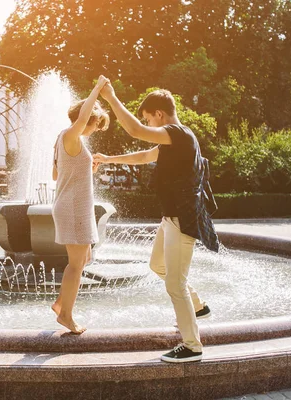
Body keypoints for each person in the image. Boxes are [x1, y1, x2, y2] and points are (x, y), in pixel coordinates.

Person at [93, 85, 219, 363]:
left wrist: (112, 98)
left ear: (160, 114)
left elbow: (136, 131)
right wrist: (108, 159)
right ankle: (197, 306)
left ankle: (192, 346)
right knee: (157, 265)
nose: (148, 123)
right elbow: (144, 156)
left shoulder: (179, 134)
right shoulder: (177, 141)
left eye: (149, 118)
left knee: (175, 284)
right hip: (170, 218)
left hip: (181, 220)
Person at [51, 75, 110, 334]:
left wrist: (89, 168)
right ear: (89, 119)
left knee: (84, 257)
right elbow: (83, 119)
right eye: (97, 124)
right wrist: (96, 88)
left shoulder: (66, 140)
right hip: (74, 207)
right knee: (76, 264)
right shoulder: (71, 134)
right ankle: (66, 316)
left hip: (74, 205)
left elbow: (56, 175)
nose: (96, 128)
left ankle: (62, 303)